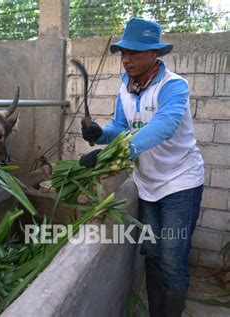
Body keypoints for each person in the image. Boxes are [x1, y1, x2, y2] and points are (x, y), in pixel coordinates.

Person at [80, 18, 204, 317]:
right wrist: (101, 134)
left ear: (154, 54)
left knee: (172, 259)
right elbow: (121, 126)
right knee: (151, 253)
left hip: (180, 182)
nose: (126, 59)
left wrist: (115, 152)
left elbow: (164, 125)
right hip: (147, 183)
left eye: (134, 53)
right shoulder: (125, 87)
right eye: (124, 52)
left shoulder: (173, 86)